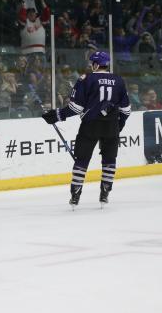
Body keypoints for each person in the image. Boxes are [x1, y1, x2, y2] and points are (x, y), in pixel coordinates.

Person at [41, 51, 131, 207]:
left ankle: (75, 196)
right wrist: (118, 126)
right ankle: (105, 194)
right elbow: (126, 110)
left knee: (82, 160)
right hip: (111, 126)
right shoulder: (119, 80)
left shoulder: (86, 79)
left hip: (90, 125)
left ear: (96, 64)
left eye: (92, 63)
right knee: (109, 161)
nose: (91, 66)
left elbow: (75, 108)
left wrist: (56, 115)